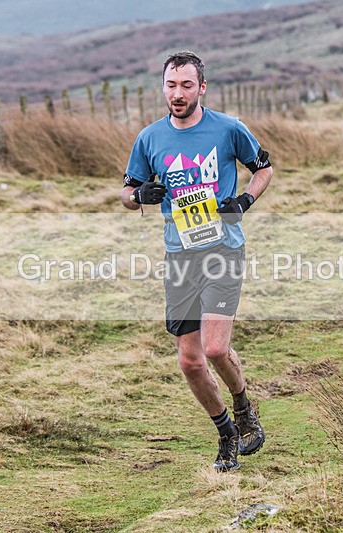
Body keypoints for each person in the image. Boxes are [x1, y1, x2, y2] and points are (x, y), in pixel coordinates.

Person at [121, 51, 273, 471]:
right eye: (171, 85)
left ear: (202, 87)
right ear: (164, 87)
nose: (178, 93)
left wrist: (244, 199)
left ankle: (244, 408)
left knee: (214, 348)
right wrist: (139, 198)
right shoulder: (149, 138)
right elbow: (127, 192)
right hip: (179, 257)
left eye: (187, 85)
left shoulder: (228, 128)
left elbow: (264, 168)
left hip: (222, 249)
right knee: (189, 361)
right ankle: (226, 433)